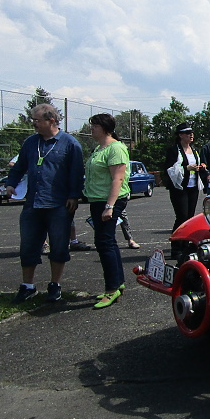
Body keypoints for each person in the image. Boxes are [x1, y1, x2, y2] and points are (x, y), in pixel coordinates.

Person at [7, 103, 84, 304]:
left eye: (37, 120)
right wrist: (10, 183)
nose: (33, 123)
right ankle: (27, 286)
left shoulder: (70, 143)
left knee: (59, 247)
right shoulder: (31, 143)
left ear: (51, 120)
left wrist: (74, 196)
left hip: (59, 205)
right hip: (33, 203)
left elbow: (77, 172)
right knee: (28, 246)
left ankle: (54, 285)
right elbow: (19, 166)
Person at [83, 113, 131, 309]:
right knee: (107, 242)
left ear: (104, 128)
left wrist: (109, 206)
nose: (91, 129)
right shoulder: (99, 148)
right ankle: (118, 283)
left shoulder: (115, 148)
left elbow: (117, 179)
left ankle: (111, 289)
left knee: (104, 243)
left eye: (94, 126)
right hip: (98, 200)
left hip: (109, 201)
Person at [165, 122, 205, 258]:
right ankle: (176, 247)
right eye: (188, 133)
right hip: (179, 188)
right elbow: (169, 169)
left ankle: (186, 246)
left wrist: (201, 167)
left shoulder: (194, 150)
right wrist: (187, 168)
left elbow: (197, 165)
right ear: (180, 135)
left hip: (193, 187)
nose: (191, 135)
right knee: (181, 217)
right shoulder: (173, 150)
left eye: (192, 133)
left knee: (190, 217)